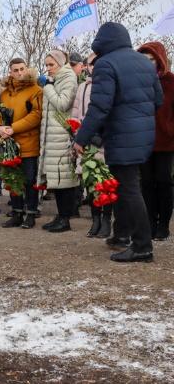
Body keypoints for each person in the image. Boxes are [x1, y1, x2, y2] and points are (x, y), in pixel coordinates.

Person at [75, 22, 163, 262]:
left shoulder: (106, 63)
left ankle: (143, 246)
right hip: (143, 135)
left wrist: (81, 138)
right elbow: (158, 99)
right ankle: (121, 235)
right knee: (127, 185)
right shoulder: (144, 63)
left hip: (121, 135)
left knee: (129, 189)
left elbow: (100, 107)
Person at [0, 58, 43, 229]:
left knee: (29, 180)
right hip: (9, 144)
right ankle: (16, 212)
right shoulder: (5, 93)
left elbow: (36, 115)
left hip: (28, 142)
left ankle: (30, 214)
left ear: (26, 69)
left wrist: (13, 128)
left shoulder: (35, 90)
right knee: (12, 178)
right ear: (10, 71)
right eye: (16, 70)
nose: (19, 72)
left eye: (22, 69)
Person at [37, 49, 79, 233]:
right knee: (58, 180)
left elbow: (62, 104)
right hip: (53, 136)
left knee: (64, 180)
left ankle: (65, 218)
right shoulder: (57, 80)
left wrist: (47, 86)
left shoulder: (68, 78)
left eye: (51, 65)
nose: (48, 69)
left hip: (62, 136)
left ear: (61, 63)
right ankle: (61, 215)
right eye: (46, 65)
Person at [71, 54, 111, 238]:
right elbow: (77, 112)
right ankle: (95, 220)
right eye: (90, 64)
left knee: (104, 181)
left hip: (103, 141)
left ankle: (106, 220)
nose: (93, 67)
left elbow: (108, 112)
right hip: (85, 141)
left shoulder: (108, 84)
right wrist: (76, 132)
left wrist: (101, 135)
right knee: (90, 182)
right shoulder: (82, 87)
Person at [137, 41, 174, 241]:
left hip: (165, 141)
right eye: (144, 59)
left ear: (159, 60)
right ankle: (150, 221)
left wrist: (169, 130)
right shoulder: (137, 82)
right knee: (146, 183)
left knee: (164, 181)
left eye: (151, 59)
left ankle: (163, 224)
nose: (148, 63)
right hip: (143, 140)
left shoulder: (170, 81)